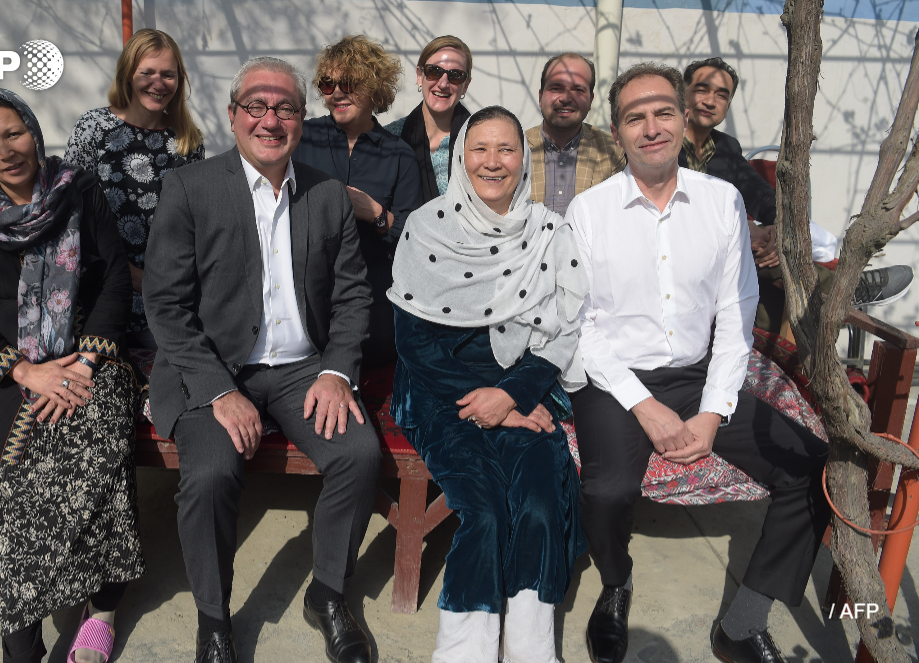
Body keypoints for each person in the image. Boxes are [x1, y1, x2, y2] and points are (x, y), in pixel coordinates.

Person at [567, 63, 831, 663]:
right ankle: (615, 584)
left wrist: (712, 412)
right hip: (614, 379)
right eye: (635, 117)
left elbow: (736, 312)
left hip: (695, 373)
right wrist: (646, 408)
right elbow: (581, 325)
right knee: (607, 490)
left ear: (684, 119)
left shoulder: (721, 200)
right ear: (617, 131)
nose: (651, 127)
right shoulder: (589, 211)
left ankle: (742, 623)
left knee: (809, 465)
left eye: (664, 112)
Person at [143, 56, 381, 663]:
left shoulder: (327, 194)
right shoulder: (190, 189)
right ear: (233, 115)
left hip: (304, 368)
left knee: (358, 455)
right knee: (210, 474)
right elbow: (165, 305)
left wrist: (337, 371)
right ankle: (214, 620)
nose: (270, 120)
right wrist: (219, 391)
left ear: (302, 119)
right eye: (257, 105)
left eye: (286, 108)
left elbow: (353, 294)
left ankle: (327, 594)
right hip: (215, 367)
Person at [0, 88, 144, 663]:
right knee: (12, 476)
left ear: (33, 130)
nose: (5, 151)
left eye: (13, 133)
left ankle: (100, 609)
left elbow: (112, 280)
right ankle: (22, 640)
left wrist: (83, 362)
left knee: (98, 439)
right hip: (8, 368)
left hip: (86, 357)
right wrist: (26, 370)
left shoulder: (79, 190)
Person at [389, 106, 588, 663]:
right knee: (483, 509)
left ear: (524, 159)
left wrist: (512, 397)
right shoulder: (427, 226)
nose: (492, 162)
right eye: (479, 149)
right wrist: (495, 404)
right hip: (439, 392)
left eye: (506, 149)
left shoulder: (549, 232)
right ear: (461, 157)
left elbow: (565, 329)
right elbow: (414, 345)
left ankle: (530, 647)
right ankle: (465, 650)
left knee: (541, 501)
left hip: (521, 388)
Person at [679, 56, 912, 332]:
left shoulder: (726, 148)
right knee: (753, 248)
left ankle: (809, 319)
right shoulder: (662, 144)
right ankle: (847, 290)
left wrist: (778, 229)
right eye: (702, 90)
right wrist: (740, 231)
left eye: (721, 95)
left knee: (773, 295)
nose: (710, 101)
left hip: (727, 267)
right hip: (678, 257)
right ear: (682, 94)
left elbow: (761, 194)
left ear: (727, 107)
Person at [65, 28, 204, 349]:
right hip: (102, 290)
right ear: (127, 74)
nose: (158, 83)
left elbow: (195, 224)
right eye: (147, 73)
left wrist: (166, 283)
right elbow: (72, 216)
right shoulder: (93, 128)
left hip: (169, 296)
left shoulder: (187, 141)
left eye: (168, 75)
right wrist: (132, 277)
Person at [293, 34, 422, 367]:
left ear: (374, 86)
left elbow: (415, 242)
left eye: (348, 83)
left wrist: (375, 213)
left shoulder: (398, 155)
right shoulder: (302, 138)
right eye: (327, 83)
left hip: (372, 300)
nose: (336, 92)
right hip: (305, 299)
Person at [525, 53, 626, 215]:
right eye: (556, 88)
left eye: (578, 90)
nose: (565, 98)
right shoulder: (517, 148)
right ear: (540, 96)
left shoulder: (612, 151)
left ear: (591, 100)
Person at [385, 35, 472, 203]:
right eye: (434, 72)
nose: (443, 84)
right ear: (420, 76)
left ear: (465, 85)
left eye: (455, 75)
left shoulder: (481, 141)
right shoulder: (391, 139)